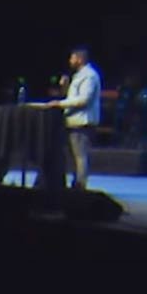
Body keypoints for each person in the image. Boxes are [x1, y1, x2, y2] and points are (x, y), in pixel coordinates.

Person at [38, 47, 102, 190]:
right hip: (72, 120)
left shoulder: (89, 76)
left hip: (81, 122)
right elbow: (71, 97)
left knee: (80, 156)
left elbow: (83, 100)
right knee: (73, 156)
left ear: (79, 59)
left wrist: (59, 104)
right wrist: (65, 87)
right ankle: (74, 183)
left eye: (72, 58)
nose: (70, 61)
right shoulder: (78, 75)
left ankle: (80, 185)